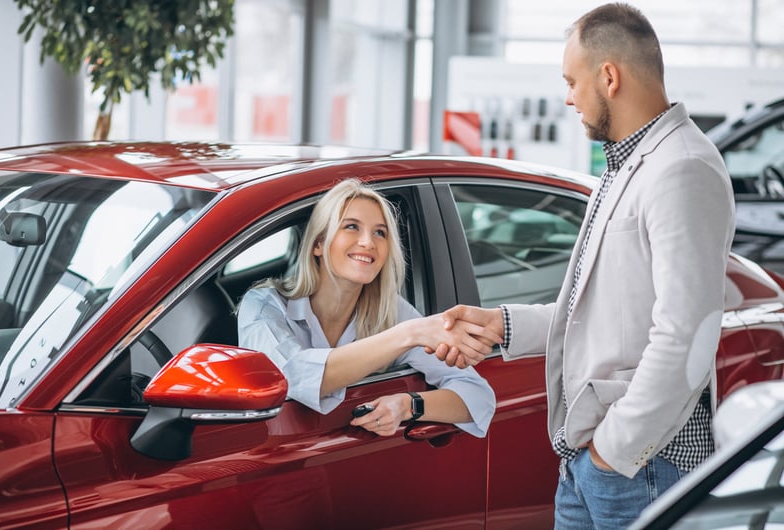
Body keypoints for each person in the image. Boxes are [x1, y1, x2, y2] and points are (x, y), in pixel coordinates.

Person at [432, 3, 736, 528]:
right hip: (592, 459)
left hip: (640, 464)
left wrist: (613, 451)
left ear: (609, 77)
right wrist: (503, 325)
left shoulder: (682, 168)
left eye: (572, 81)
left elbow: (688, 335)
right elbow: (598, 313)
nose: (568, 96)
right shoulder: (627, 164)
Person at [237, 178, 497, 438]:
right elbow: (289, 377)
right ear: (318, 244)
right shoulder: (262, 305)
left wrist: (407, 405)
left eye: (380, 233)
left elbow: (478, 396)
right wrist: (407, 335)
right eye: (352, 227)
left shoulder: (390, 311)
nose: (368, 242)